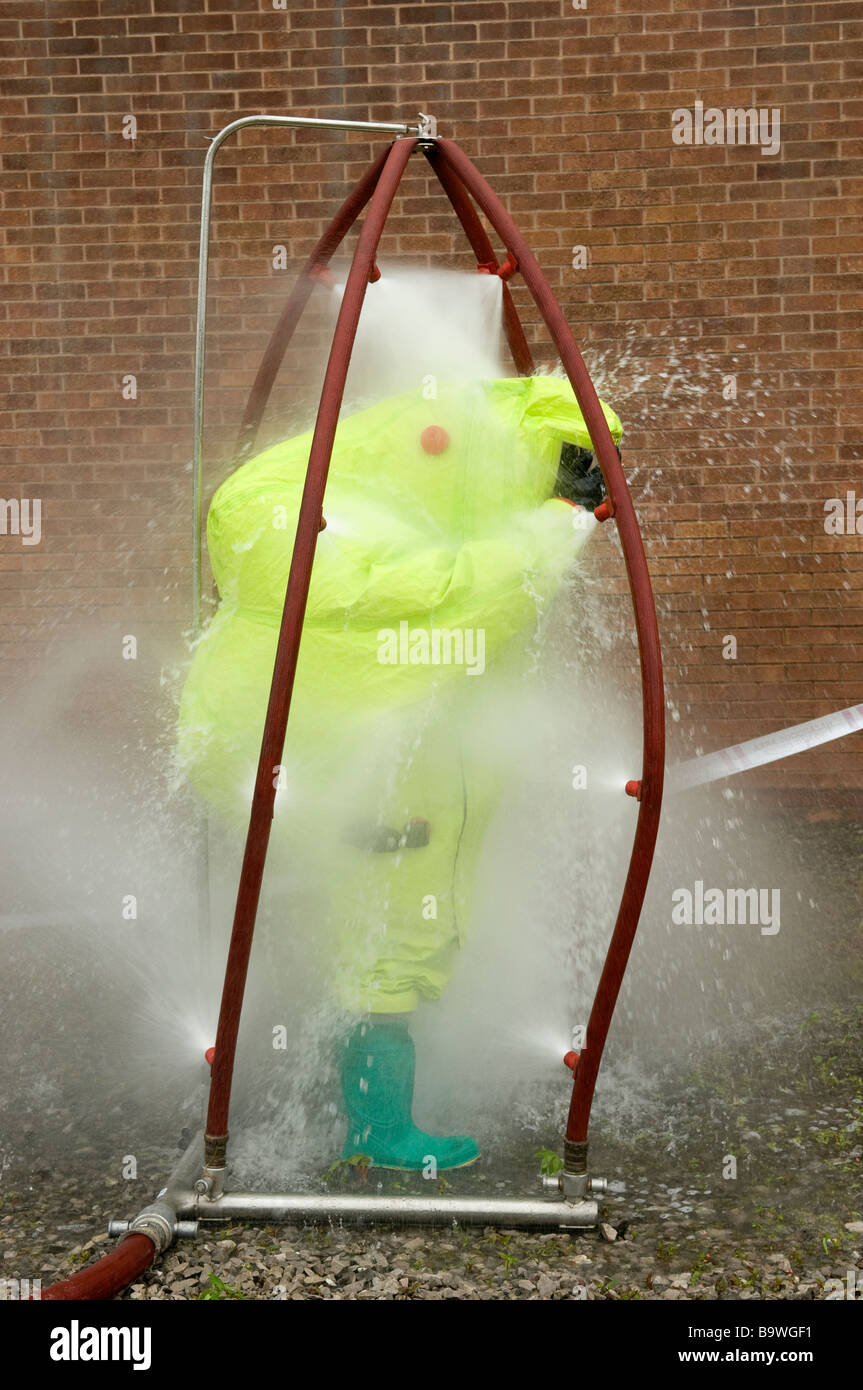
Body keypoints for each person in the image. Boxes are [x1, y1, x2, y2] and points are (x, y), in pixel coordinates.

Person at [178, 373, 622, 1171]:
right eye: (576, 466)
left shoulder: (422, 461)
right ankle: (378, 1133)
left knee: (367, 926)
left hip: (337, 752)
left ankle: (348, 1105)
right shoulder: (448, 490)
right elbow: (462, 600)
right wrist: (557, 524)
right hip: (367, 764)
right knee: (387, 938)